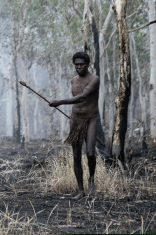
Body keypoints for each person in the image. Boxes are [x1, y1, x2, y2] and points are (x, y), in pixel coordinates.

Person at [49, 52, 100, 200]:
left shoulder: (94, 79)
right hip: (76, 119)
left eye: (82, 64)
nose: (79, 67)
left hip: (91, 118)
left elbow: (83, 97)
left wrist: (59, 102)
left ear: (87, 64)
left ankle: (91, 180)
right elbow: (77, 99)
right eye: (76, 64)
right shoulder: (73, 80)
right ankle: (80, 190)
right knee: (76, 155)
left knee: (90, 153)